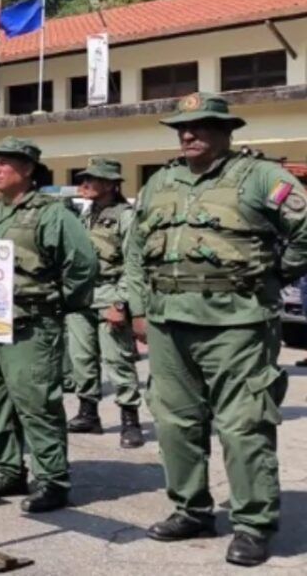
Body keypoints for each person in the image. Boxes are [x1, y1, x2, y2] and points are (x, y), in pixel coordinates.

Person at [125, 93, 307, 566]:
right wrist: (139, 307)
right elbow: (135, 248)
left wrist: (276, 275)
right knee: (174, 421)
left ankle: (252, 523)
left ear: (226, 131)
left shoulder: (261, 176)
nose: (188, 134)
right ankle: (191, 509)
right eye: (182, 128)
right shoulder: (161, 180)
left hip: (238, 323)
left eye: (201, 126)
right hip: (168, 321)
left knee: (244, 424)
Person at [0, 136, 97, 513]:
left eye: (5, 163)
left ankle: (52, 479)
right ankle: (10, 469)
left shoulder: (50, 213)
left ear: (27, 170)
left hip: (31, 324)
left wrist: (60, 302)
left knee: (37, 404)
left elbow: (83, 264)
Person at [65, 158, 144, 448]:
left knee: (117, 360)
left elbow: (134, 265)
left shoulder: (126, 216)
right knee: (81, 358)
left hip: (111, 293)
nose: (85, 184)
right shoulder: (85, 215)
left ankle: (130, 420)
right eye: (84, 178)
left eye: (93, 179)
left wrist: (122, 303)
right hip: (82, 297)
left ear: (112, 184)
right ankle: (88, 414)